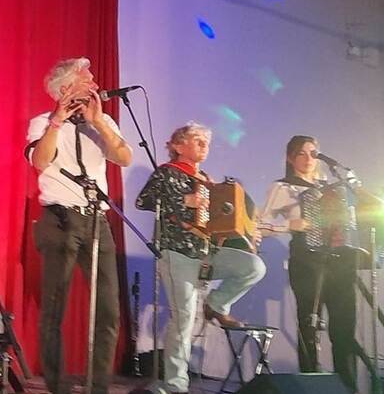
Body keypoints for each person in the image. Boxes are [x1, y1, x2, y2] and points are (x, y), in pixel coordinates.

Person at [25, 57, 133, 394]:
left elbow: (124, 157)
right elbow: (40, 161)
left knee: (108, 309)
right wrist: (57, 121)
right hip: (59, 219)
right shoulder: (41, 122)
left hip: (97, 220)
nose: (95, 84)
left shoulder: (103, 122)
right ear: (66, 89)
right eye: (88, 79)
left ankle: (97, 386)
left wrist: (98, 122)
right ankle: (56, 385)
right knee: (54, 306)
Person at [135, 122, 265, 394]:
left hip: (205, 251)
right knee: (183, 319)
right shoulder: (166, 173)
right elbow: (143, 201)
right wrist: (184, 201)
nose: (205, 145)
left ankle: (216, 305)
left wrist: (247, 232)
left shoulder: (206, 179)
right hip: (176, 251)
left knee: (253, 266)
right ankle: (175, 385)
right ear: (178, 146)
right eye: (198, 140)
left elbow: (219, 219)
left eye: (206, 142)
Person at [259, 135, 358, 392]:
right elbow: (259, 225)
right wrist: (288, 225)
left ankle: (347, 386)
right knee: (309, 325)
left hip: (340, 261)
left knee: (344, 327)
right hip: (306, 260)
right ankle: (311, 384)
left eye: (313, 153)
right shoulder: (283, 187)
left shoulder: (333, 187)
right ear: (290, 158)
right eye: (301, 153)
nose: (308, 158)